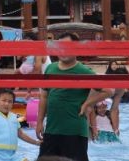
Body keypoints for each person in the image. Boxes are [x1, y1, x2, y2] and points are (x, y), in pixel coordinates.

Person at [35, 33, 110, 161]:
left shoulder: (84, 71)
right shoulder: (50, 69)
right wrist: (39, 121)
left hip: (75, 131)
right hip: (52, 130)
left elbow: (108, 90)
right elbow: (44, 96)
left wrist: (87, 103)